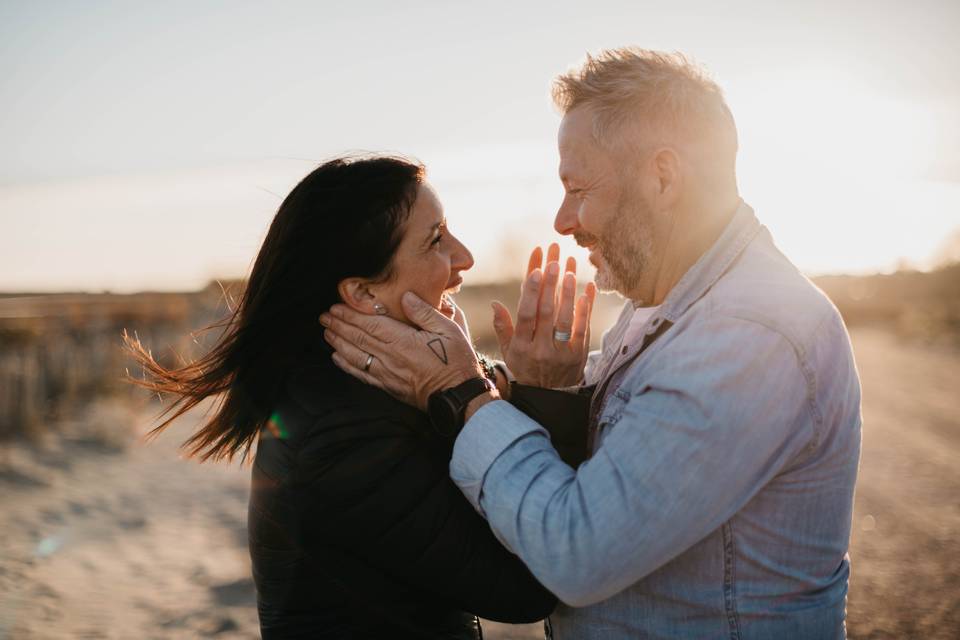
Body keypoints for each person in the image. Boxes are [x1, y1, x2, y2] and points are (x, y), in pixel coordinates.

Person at [320, 48, 863, 639]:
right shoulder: (673, 307)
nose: (562, 219)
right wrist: (532, 382)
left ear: (662, 177)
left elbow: (577, 553)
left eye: (577, 188)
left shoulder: (749, 333)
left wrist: (459, 394)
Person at [125, 155, 559, 639]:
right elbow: (532, 584)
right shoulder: (343, 433)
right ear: (362, 292)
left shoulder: (363, 391)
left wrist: (481, 382)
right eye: (436, 239)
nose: (464, 257)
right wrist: (493, 393)